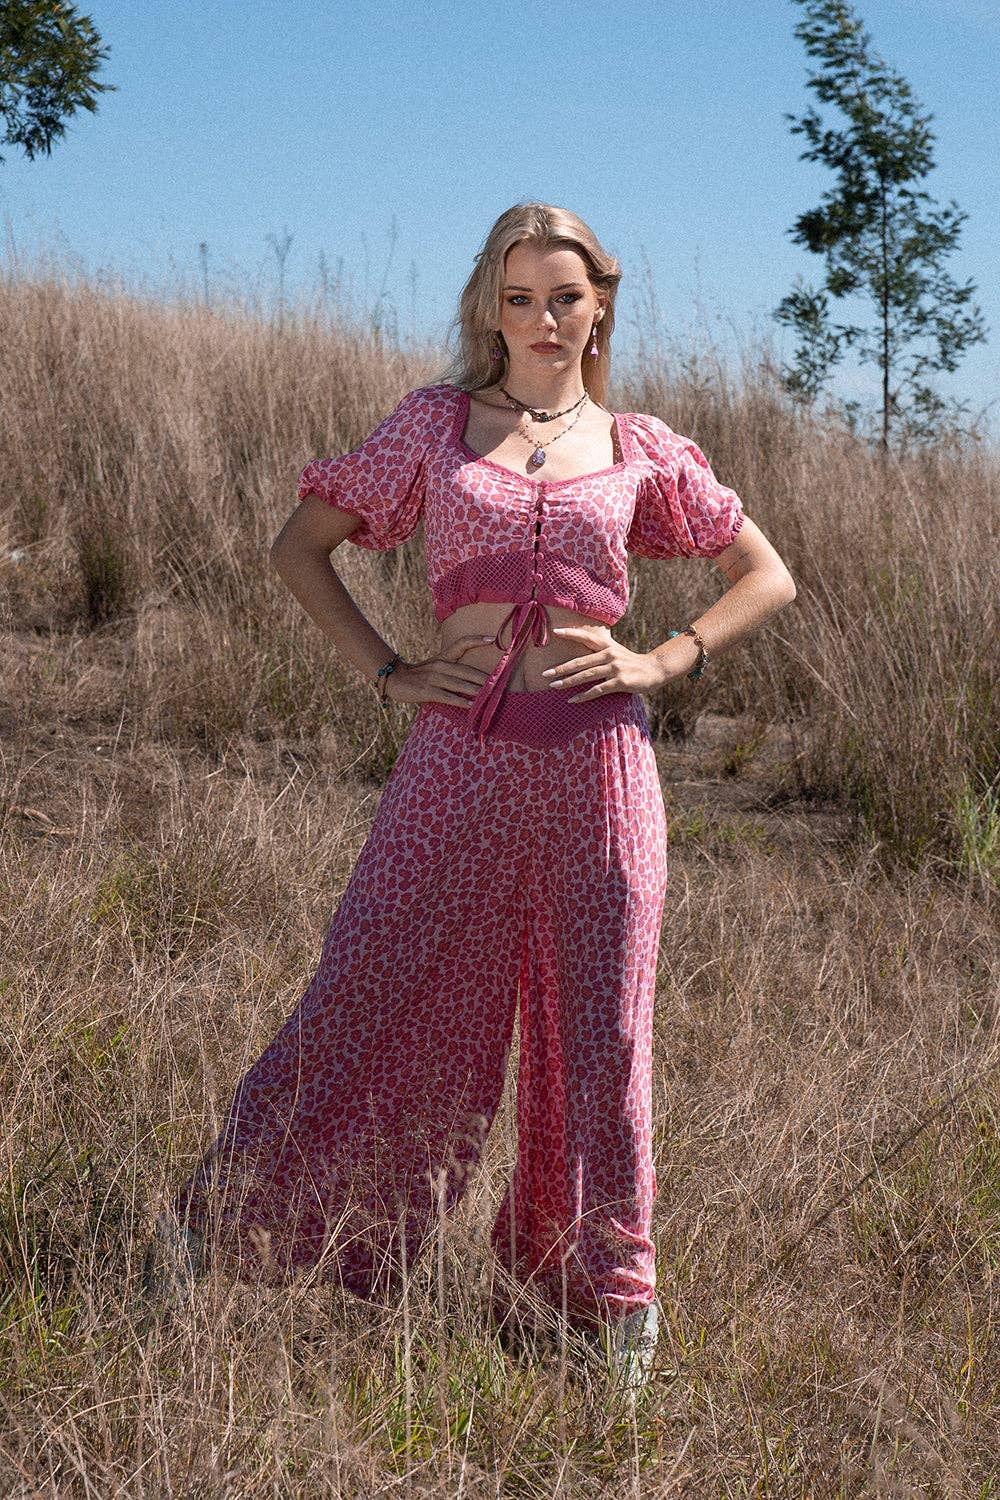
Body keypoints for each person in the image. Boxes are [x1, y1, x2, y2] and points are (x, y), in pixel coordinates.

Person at [147, 202, 796, 1397]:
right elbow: (300, 547)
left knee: (602, 1040)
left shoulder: (643, 446)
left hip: (601, 772)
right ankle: (223, 1229)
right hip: (458, 761)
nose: (542, 320)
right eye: (518, 298)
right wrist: (389, 671)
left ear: (600, 303)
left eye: (564, 297)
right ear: (486, 308)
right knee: (367, 987)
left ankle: (605, 1310)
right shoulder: (434, 429)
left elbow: (765, 572)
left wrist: (666, 658)